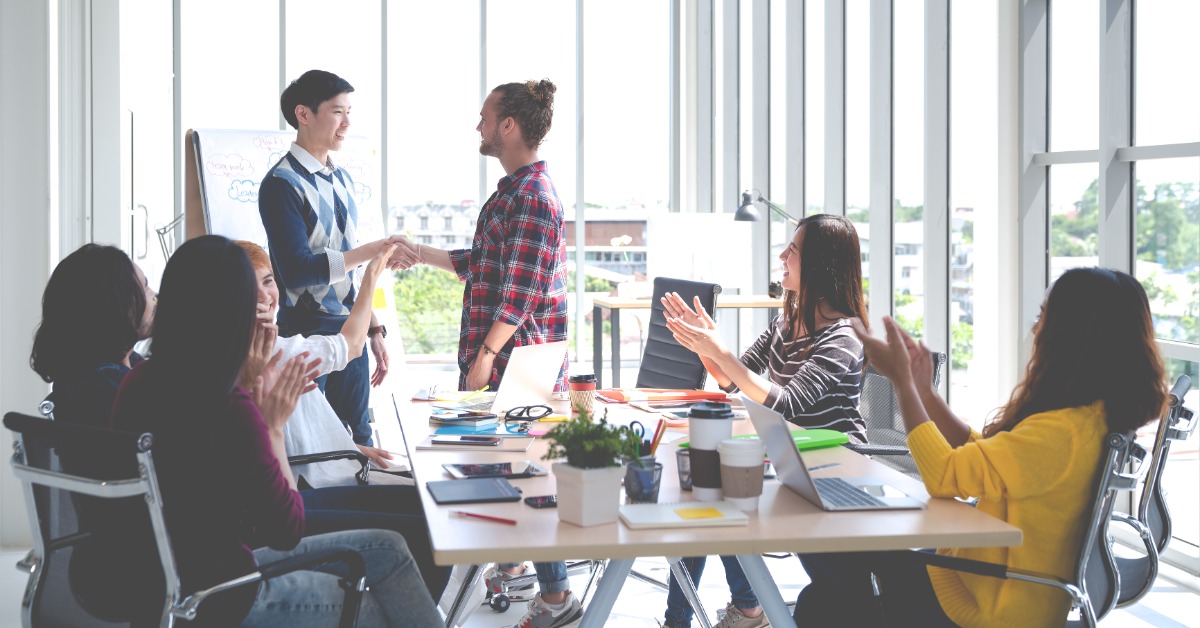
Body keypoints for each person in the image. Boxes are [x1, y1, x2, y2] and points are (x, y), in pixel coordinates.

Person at [793, 267, 1167, 626]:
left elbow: (944, 476)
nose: (1036, 327)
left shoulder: (1058, 433)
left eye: (1044, 316)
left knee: (829, 578)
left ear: (1068, 335)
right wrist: (922, 389)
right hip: (997, 587)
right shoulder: (1086, 419)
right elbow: (985, 452)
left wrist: (903, 383)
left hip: (984, 606)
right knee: (837, 584)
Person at [109, 235, 442, 626]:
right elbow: (286, 529)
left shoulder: (137, 382)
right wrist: (272, 426)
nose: (265, 298)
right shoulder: (228, 400)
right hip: (227, 591)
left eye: (268, 283)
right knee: (395, 610)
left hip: (164, 579)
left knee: (391, 548)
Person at [389, 79, 577, 628]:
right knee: (511, 471)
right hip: (505, 360)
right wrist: (417, 253)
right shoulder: (512, 192)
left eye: (484, 117)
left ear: (509, 126)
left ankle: (558, 598)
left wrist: (486, 355)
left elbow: (519, 291)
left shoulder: (534, 198)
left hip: (518, 363)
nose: (478, 126)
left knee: (527, 474)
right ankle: (525, 569)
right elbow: (485, 262)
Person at [658, 214, 869, 628]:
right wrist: (705, 343)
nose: (782, 256)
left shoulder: (844, 334)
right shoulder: (787, 321)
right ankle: (697, 617)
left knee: (716, 493)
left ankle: (732, 610)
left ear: (822, 265)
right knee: (709, 491)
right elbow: (731, 379)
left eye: (793, 250)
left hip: (834, 471)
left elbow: (787, 402)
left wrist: (721, 352)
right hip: (793, 459)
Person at [234, 239, 450, 598]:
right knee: (434, 513)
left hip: (332, 465)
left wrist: (352, 447)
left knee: (430, 504)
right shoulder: (274, 352)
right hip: (316, 482)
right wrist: (371, 276)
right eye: (249, 284)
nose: (264, 295)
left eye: (269, 281)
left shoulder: (264, 347)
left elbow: (290, 429)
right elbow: (350, 345)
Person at [258, 69, 397, 447]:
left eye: (349, 111)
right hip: (306, 338)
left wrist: (373, 328)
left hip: (349, 333)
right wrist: (370, 252)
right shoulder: (281, 184)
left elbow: (345, 275)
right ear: (304, 114)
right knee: (319, 449)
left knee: (361, 441)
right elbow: (298, 271)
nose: (347, 123)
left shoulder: (342, 179)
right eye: (338, 112)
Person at [30, 243, 156, 427]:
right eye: (145, 288)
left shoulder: (93, 375)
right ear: (115, 306)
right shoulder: (103, 387)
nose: (154, 295)